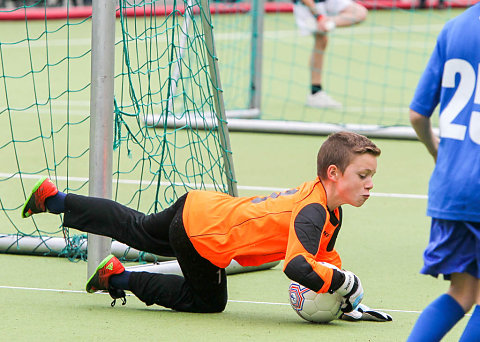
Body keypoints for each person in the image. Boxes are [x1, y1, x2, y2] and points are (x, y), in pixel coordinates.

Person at [22, 131, 385, 318]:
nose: (370, 184)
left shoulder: (329, 209)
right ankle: (117, 277)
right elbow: (296, 265)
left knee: (137, 228)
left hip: (202, 208)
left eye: (372, 176)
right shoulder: (314, 210)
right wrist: (343, 283)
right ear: (334, 174)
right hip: (202, 234)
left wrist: (349, 302)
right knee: (209, 303)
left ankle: (54, 199)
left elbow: (322, 257)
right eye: (363, 175)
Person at [407, 4, 480, 341]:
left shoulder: (455, 27)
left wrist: (441, 155)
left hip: (451, 188)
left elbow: (417, 115)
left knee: (462, 293)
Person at [292, 0, 367, 109]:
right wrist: (318, 16)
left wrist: (326, 21)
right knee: (321, 40)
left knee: (360, 13)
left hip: (327, 2)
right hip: (308, 6)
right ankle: (315, 93)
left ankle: (327, 22)